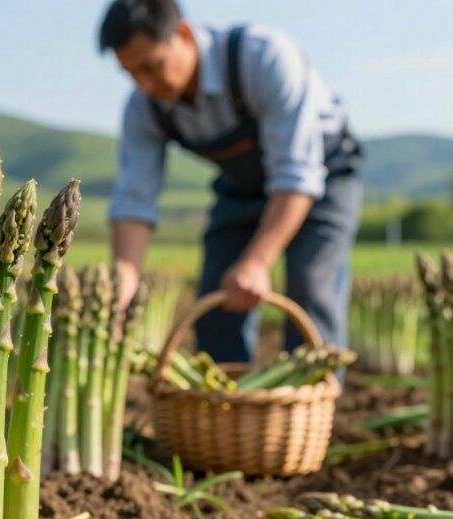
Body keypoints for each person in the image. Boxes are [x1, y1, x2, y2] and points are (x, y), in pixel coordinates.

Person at [100, 0, 363, 362]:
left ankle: (312, 391)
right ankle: (224, 392)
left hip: (321, 178)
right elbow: (135, 200)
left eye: (151, 66)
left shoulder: (264, 58)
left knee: (311, 286)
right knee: (217, 298)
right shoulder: (143, 108)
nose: (144, 85)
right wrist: (124, 281)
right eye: (131, 73)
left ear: (183, 34)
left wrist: (257, 261)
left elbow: (297, 174)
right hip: (242, 186)